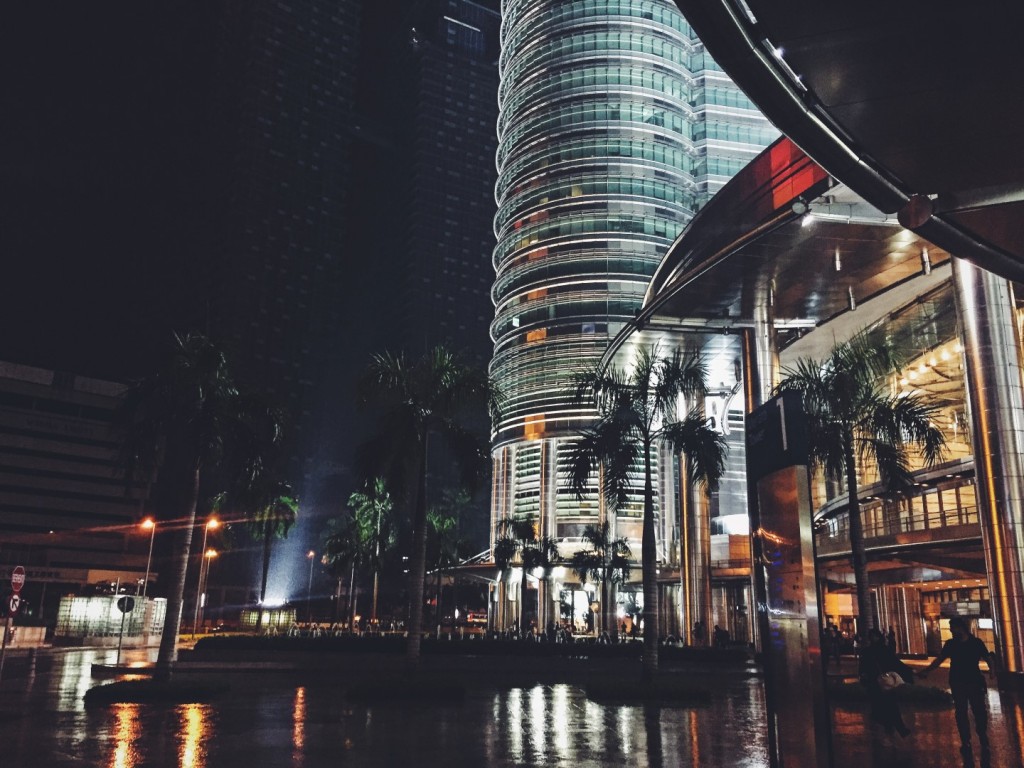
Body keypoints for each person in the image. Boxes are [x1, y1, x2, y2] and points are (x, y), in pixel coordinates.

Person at [920, 617, 995, 760]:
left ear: (961, 627)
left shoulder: (976, 643)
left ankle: (982, 734)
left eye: (952, 627)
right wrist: (927, 670)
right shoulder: (951, 644)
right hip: (957, 682)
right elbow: (939, 660)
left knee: (979, 710)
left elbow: (987, 657)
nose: (951, 630)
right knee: (961, 712)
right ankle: (966, 740)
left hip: (974, 681)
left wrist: (992, 671)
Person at [859, 627, 913, 737]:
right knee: (888, 706)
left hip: (876, 682)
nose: (873, 638)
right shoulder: (881, 650)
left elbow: (895, 663)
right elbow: (896, 663)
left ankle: (893, 728)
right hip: (881, 682)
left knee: (885, 706)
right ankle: (894, 728)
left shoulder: (871, 651)